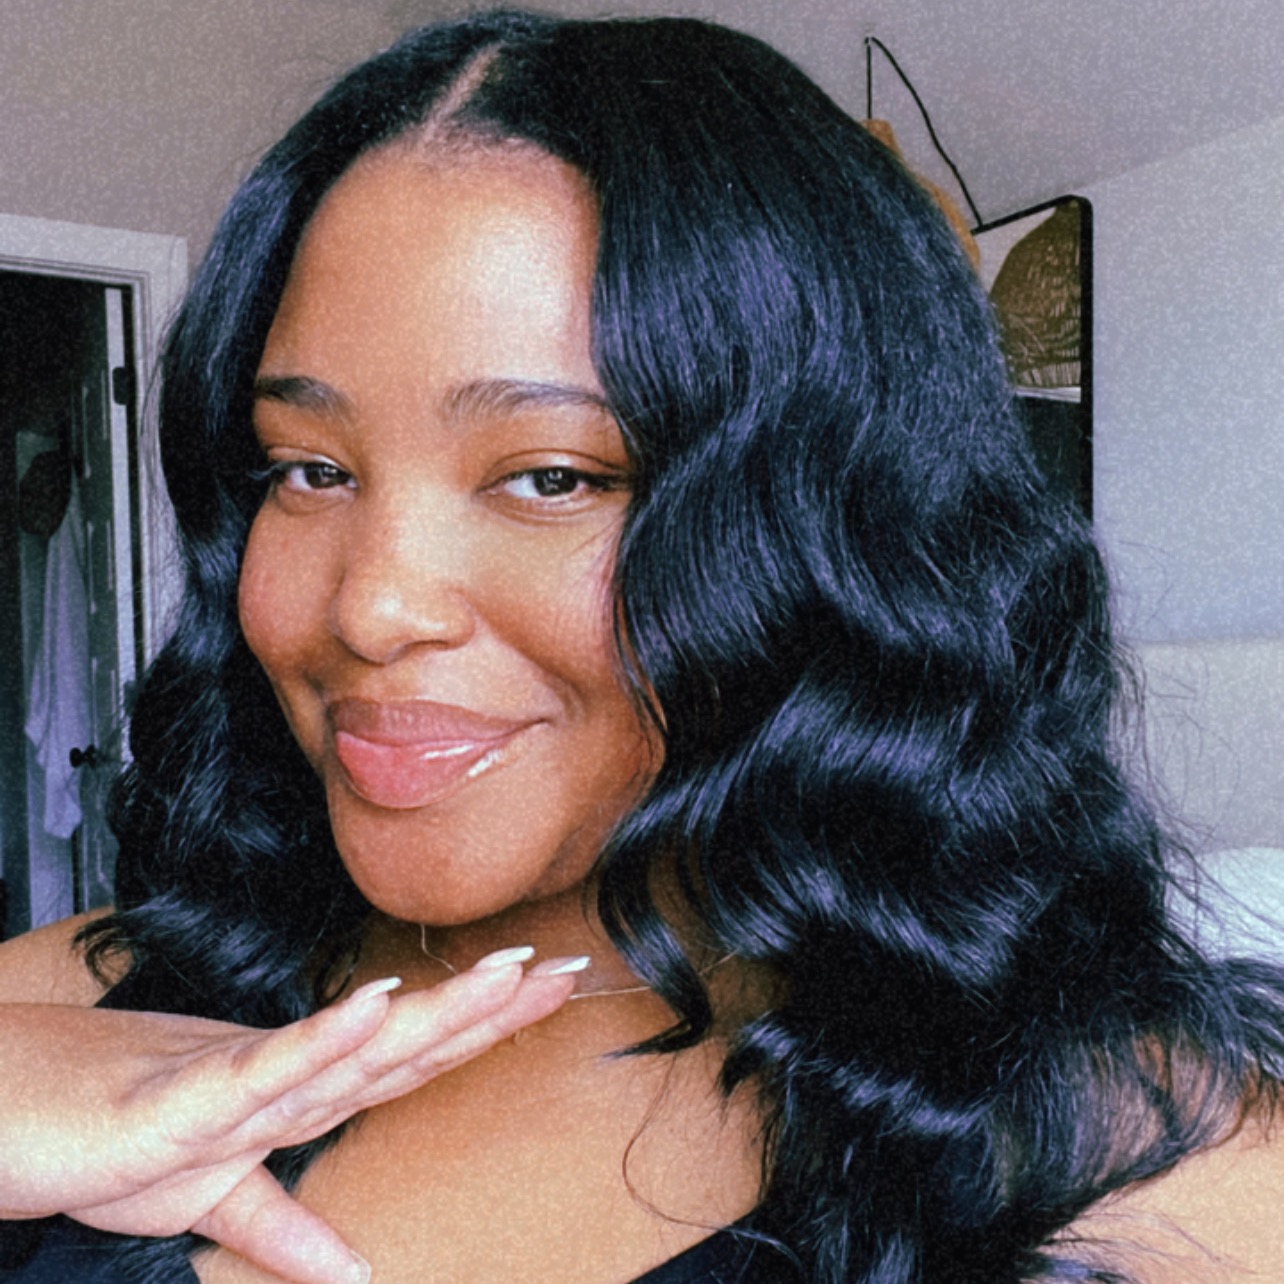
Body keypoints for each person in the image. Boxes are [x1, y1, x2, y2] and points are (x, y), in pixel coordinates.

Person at [2, 10, 1283, 1282]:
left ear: (835, 532)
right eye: (310, 469)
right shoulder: (63, 1016)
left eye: (552, 477)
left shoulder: (1162, 1182)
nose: (372, 609)